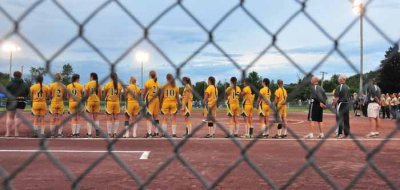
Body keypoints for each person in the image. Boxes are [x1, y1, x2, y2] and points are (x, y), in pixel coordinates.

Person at [5, 71, 29, 137]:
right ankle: (16, 133)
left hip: (11, 101)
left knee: (10, 117)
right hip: (21, 101)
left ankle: (8, 133)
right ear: (21, 76)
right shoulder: (25, 84)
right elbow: (27, 93)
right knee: (18, 117)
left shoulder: (10, 83)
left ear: (14, 75)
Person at [104, 73, 122, 138]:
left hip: (109, 102)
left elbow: (105, 93)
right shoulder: (119, 85)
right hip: (117, 102)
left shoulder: (107, 84)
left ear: (110, 77)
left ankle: (109, 133)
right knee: (116, 118)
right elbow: (119, 94)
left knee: (109, 118)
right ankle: (115, 133)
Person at [143, 70, 160, 138]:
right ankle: (156, 132)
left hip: (150, 100)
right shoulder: (158, 83)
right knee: (156, 117)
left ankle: (149, 133)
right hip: (157, 100)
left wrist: (143, 98)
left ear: (149, 75)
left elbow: (144, 92)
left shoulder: (148, 82)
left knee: (149, 117)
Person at [48, 73, 66, 137]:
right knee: (60, 119)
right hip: (60, 102)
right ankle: (59, 133)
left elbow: (49, 95)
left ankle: (52, 133)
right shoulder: (63, 86)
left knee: (53, 118)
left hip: (53, 102)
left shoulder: (51, 85)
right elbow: (64, 96)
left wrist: (51, 98)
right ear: (61, 78)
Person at [333, 74, 351, 138]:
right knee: (346, 119)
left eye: (338, 79)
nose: (338, 80)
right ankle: (347, 133)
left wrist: (333, 104)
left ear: (341, 80)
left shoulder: (339, 87)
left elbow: (337, 97)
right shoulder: (348, 87)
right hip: (347, 104)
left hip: (341, 104)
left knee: (339, 119)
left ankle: (339, 133)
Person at [85, 72, 102, 138]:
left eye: (90, 77)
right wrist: (98, 99)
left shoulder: (88, 84)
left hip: (90, 101)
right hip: (97, 101)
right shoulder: (98, 84)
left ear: (92, 77)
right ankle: (97, 130)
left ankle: (89, 134)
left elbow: (86, 94)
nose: (89, 78)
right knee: (96, 118)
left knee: (89, 118)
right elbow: (100, 94)